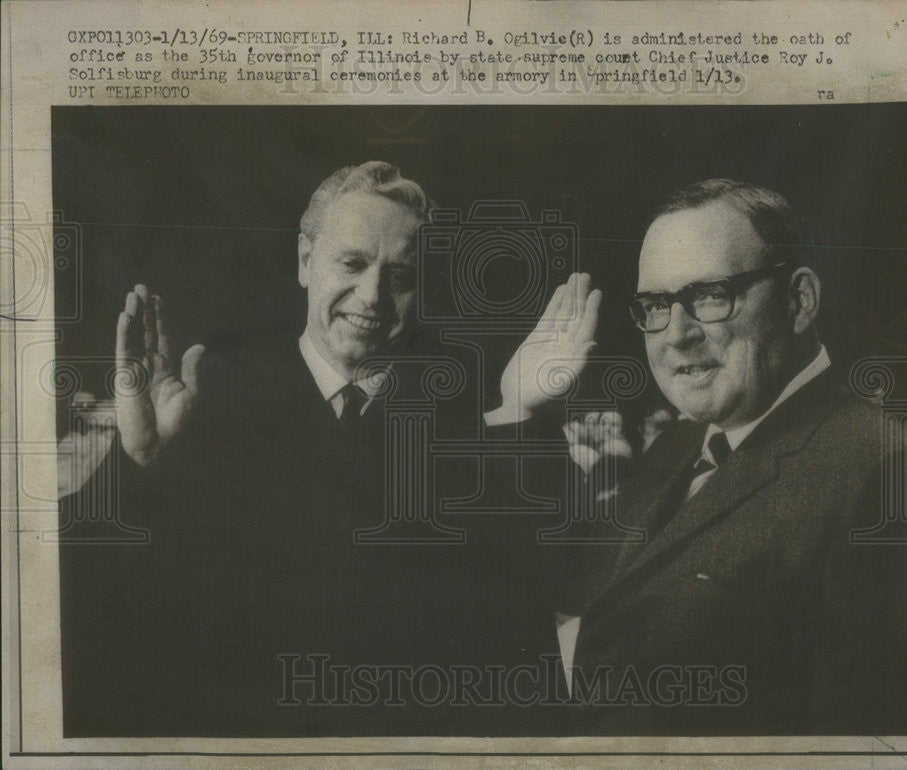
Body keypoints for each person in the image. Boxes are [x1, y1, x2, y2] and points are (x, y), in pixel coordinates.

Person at [59, 161, 602, 736]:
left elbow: (559, 582)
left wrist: (521, 413)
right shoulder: (206, 403)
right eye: (352, 262)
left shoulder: (467, 414)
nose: (371, 296)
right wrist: (138, 460)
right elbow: (79, 608)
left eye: (400, 275)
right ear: (304, 261)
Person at [555, 179, 907, 735]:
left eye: (711, 295)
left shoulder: (886, 469)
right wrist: (517, 410)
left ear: (799, 300)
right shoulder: (677, 448)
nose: (677, 336)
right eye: (656, 306)